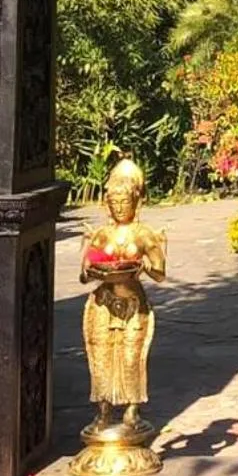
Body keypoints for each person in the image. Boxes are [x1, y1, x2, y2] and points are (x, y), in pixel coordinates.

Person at [81, 159, 167, 431]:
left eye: (125, 202)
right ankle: (103, 410)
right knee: (102, 355)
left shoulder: (143, 235)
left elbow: (160, 273)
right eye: (114, 203)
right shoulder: (102, 235)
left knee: (131, 356)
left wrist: (144, 267)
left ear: (136, 202)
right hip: (103, 302)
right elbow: (85, 274)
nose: (119, 208)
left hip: (133, 303)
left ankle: (132, 409)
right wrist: (88, 266)